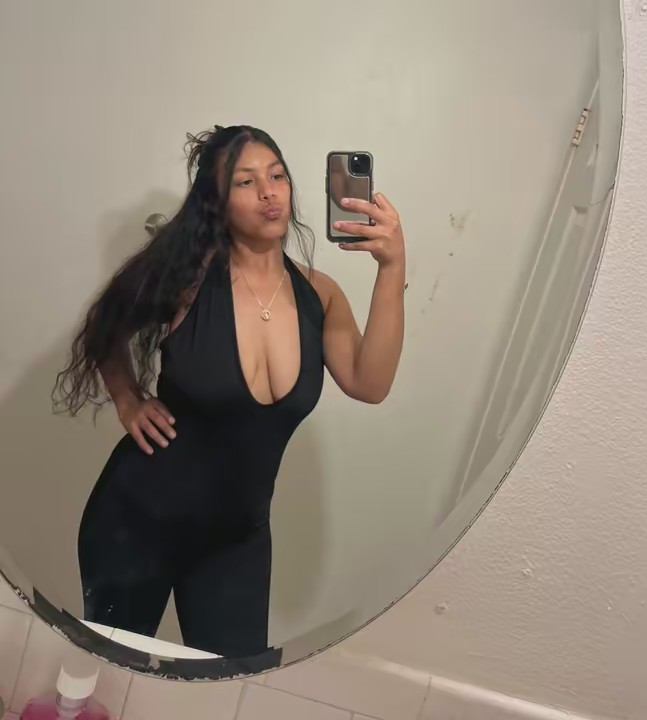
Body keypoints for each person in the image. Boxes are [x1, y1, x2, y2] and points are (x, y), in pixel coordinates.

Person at [52, 124, 405, 657]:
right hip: (137, 518)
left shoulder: (320, 295)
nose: (268, 193)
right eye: (245, 182)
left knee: (231, 680)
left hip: (237, 541)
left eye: (277, 176)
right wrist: (127, 399)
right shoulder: (187, 280)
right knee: (105, 671)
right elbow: (106, 323)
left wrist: (392, 267)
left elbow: (369, 382)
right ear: (217, 201)